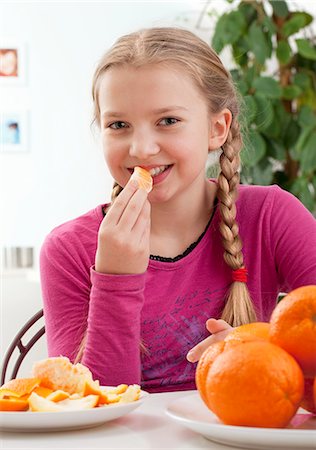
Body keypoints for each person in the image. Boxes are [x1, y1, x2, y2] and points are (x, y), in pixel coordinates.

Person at [40, 27, 316, 393]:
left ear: (217, 128)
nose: (141, 148)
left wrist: (261, 348)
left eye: (167, 121)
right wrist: (116, 279)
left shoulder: (271, 215)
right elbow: (89, 404)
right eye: (118, 125)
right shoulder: (68, 249)